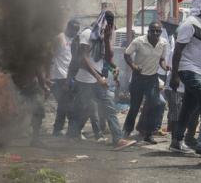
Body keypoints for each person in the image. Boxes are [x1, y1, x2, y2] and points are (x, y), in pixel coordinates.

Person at [67, 11, 136, 150]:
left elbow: (108, 58)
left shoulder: (103, 36)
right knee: (84, 109)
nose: (109, 28)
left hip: (96, 81)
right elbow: (83, 59)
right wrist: (98, 77)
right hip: (85, 80)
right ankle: (72, 135)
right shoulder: (88, 34)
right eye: (108, 25)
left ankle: (117, 139)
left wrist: (107, 41)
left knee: (108, 107)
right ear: (103, 23)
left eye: (111, 26)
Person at [168, 0, 201, 154]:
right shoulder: (189, 23)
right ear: (199, 6)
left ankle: (176, 141)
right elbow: (177, 51)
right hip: (188, 69)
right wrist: (174, 75)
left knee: (187, 108)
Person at [122, 21, 168, 144]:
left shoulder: (163, 43)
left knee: (155, 104)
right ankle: (126, 131)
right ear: (148, 31)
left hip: (152, 78)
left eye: (157, 31)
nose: (155, 33)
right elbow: (126, 55)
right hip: (138, 77)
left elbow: (162, 59)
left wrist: (164, 66)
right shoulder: (139, 41)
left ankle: (148, 133)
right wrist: (133, 66)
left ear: (161, 32)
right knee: (135, 107)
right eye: (152, 30)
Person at [49, 19, 80, 137]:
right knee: (67, 105)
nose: (75, 32)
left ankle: (57, 129)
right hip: (58, 77)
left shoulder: (73, 40)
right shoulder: (59, 38)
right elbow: (51, 56)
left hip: (68, 76)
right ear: (68, 28)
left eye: (77, 30)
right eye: (73, 30)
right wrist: (49, 76)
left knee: (63, 104)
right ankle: (72, 131)